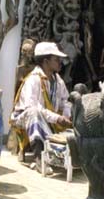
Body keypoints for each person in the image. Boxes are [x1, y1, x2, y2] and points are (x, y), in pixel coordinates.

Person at [10, 42, 72, 171]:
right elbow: (32, 107)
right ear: (45, 61)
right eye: (56, 59)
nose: (60, 62)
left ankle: (61, 155)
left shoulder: (57, 80)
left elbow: (66, 100)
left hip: (49, 119)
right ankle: (39, 159)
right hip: (24, 119)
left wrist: (66, 115)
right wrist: (57, 118)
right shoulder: (33, 79)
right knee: (34, 113)